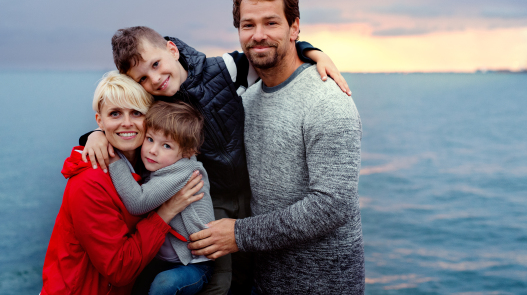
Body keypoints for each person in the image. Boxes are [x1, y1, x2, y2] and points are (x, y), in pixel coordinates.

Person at [80, 26, 351, 294]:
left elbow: (267, 54)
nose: (154, 78)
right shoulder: (153, 100)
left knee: (252, 269)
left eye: (156, 64)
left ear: (172, 50)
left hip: (251, 191)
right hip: (208, 199)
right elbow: (127, 123)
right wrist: (96, 134)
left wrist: (313, 52)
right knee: (222, 277)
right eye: (142, 78)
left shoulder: (224, 69)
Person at [188, 0, 365, 294]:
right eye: (247, 25)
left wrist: (239, 234)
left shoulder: (327, 102)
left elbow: (331, 206)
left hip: (323, 285)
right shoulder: (248, 99)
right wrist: (100, 134)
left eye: (271, 23)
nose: (258, 35)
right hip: (263, 281)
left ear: (294, 27)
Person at [41, 71, 205, 295]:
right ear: (100, 120)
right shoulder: (88, 183)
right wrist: (166, 212)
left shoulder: (147, 164)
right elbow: (119, 269)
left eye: (136, 113)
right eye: (115, 114)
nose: (126, 124)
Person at [108, 101, 215, 295]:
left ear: (187, 153)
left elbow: (137, 203)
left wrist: (114, 158)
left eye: (166, 145)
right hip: (163, 260)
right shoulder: (164, 163)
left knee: (164, 284)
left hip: (193, 265)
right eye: (149, 139)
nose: (153, 150)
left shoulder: (183, 171)